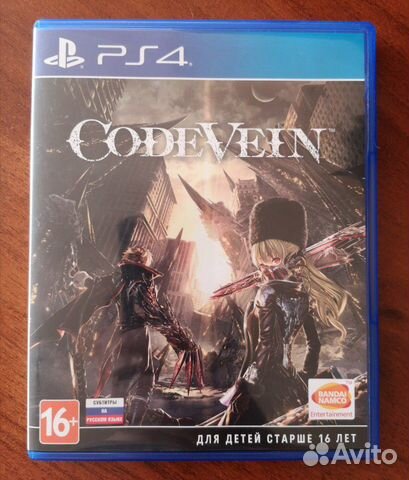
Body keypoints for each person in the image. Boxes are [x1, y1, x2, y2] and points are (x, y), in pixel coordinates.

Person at [218, 197, 347, 425]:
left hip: (262, 386)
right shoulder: (302, 293)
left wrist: (247, 385)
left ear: (285, 254)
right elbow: (314, 344)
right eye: (260, 258)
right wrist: (304, 378)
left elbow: (266, 347)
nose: (262, 264)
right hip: (291, 381)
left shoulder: (267, 292)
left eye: (269, 256)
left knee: (232, 438)